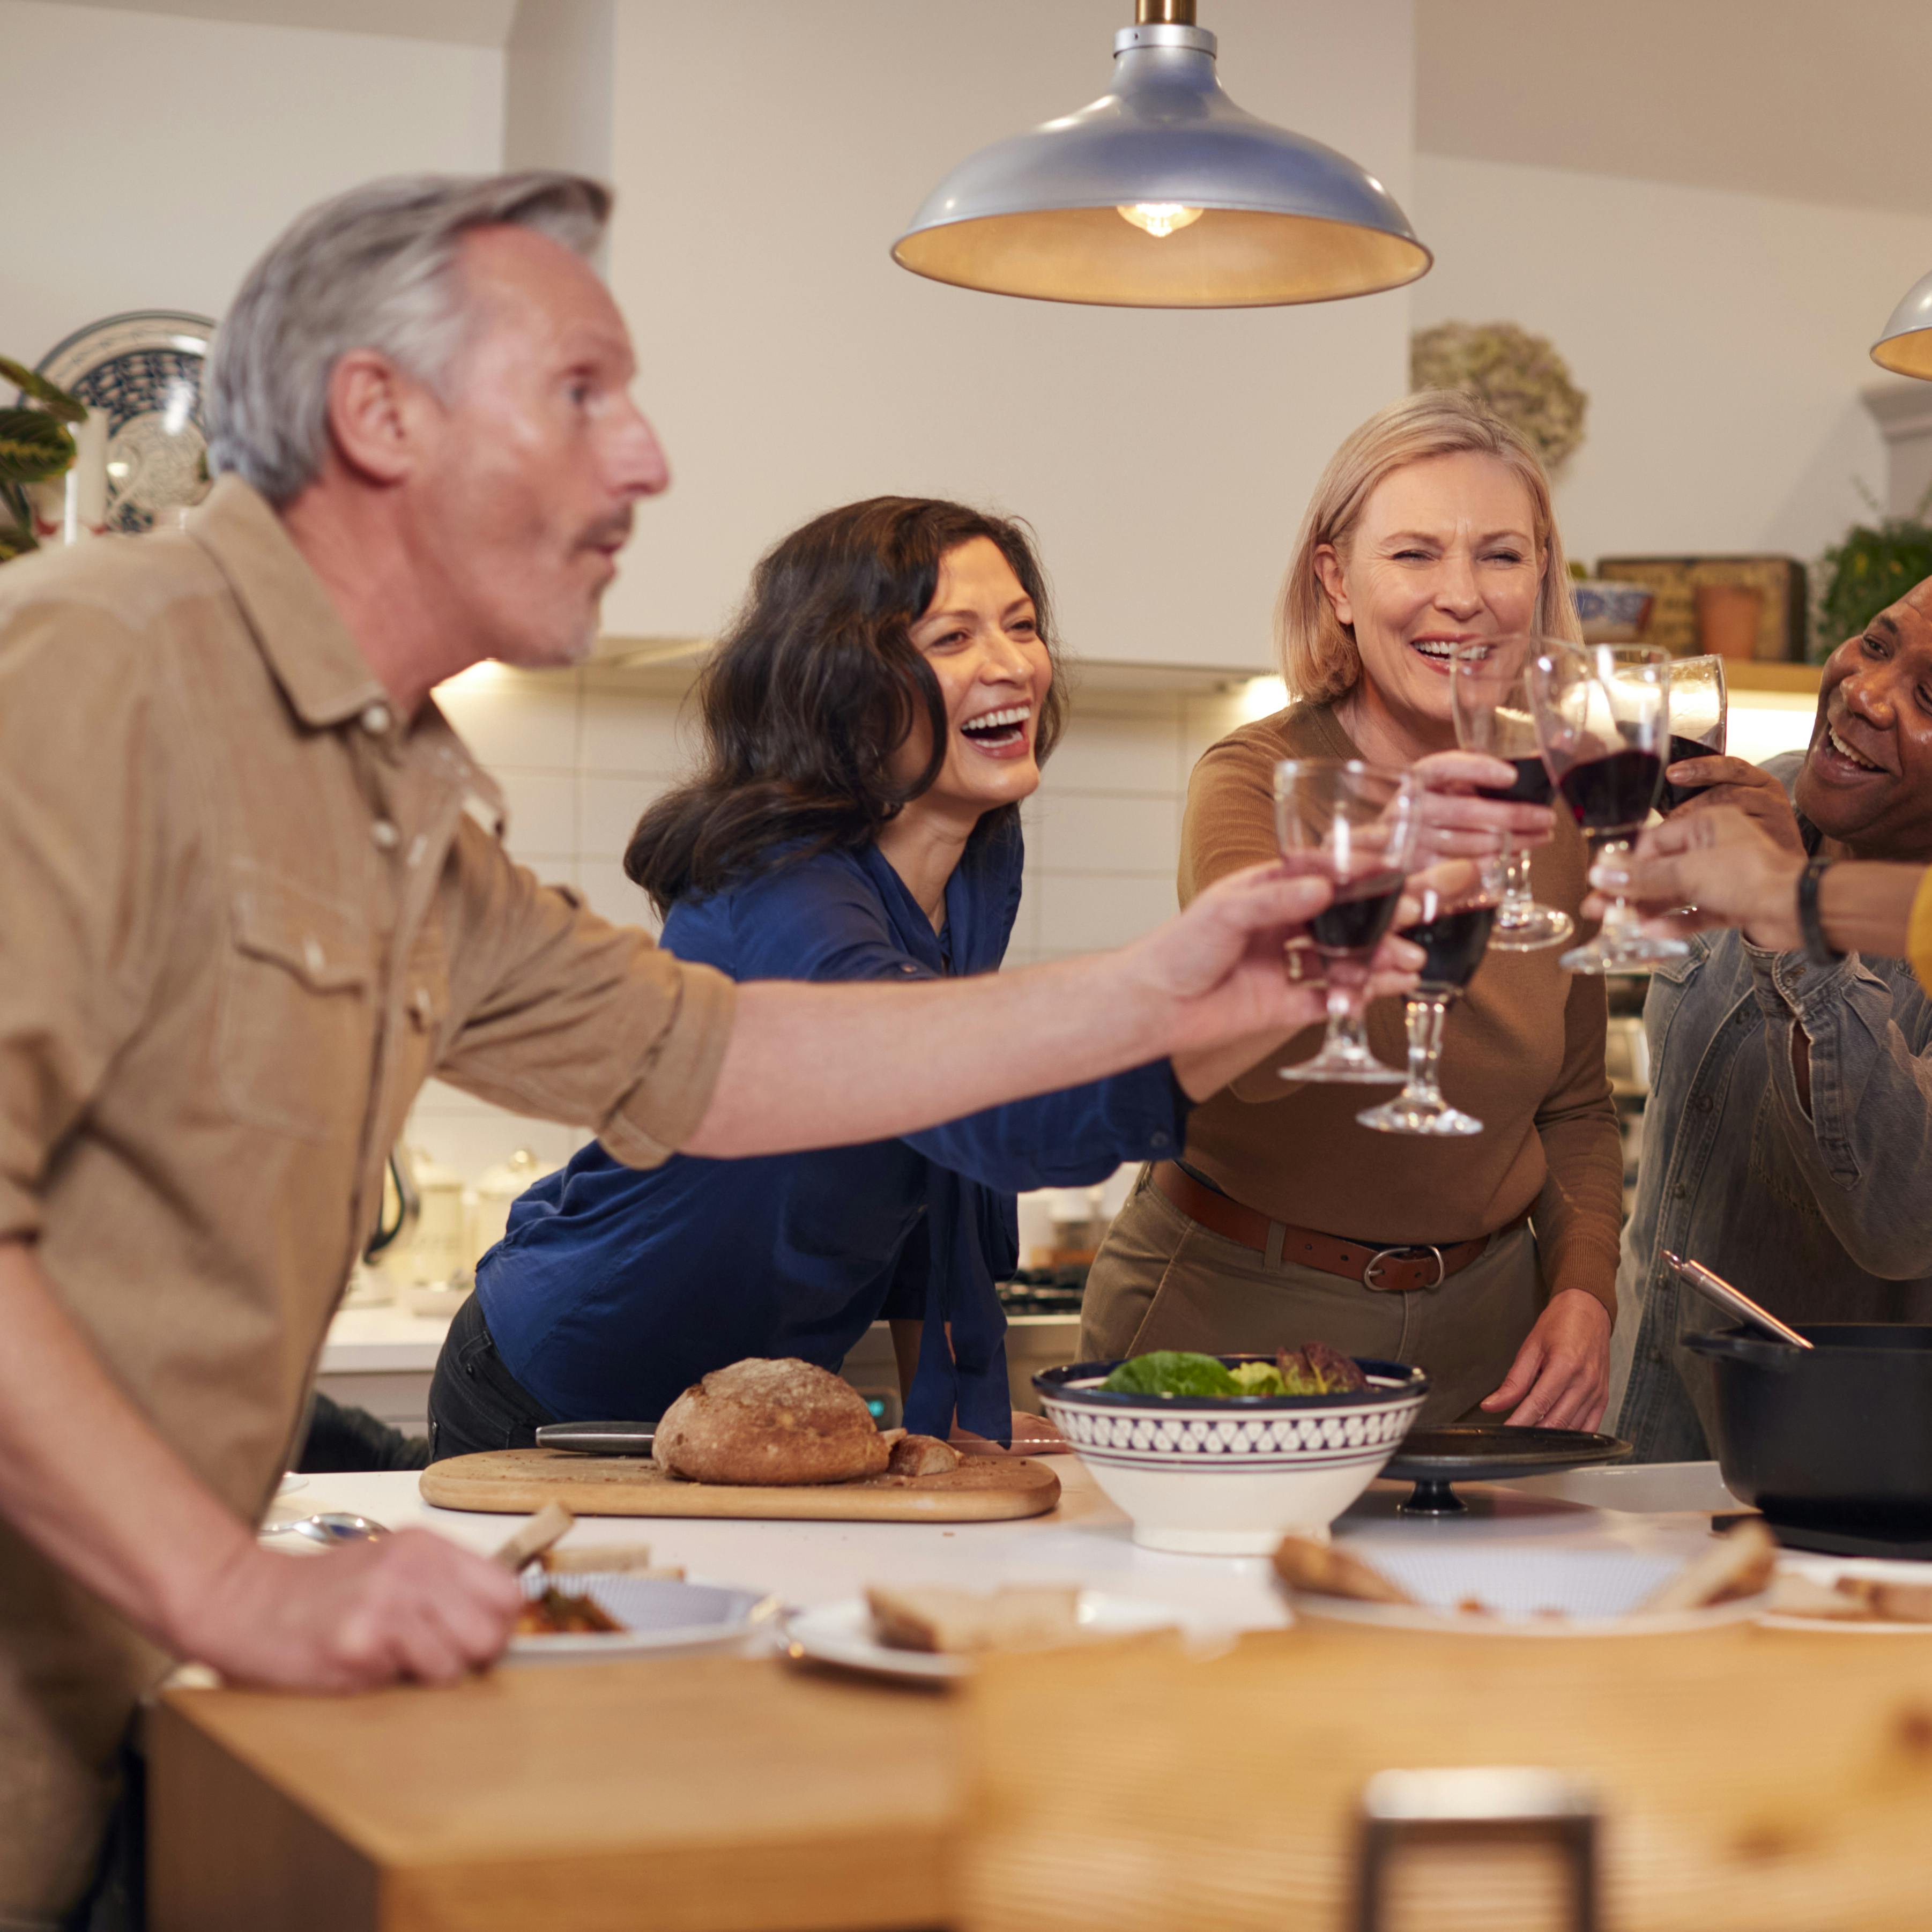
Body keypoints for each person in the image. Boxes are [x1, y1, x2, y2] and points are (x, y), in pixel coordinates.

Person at [0, 172, 1415, 1928]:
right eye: (582, 391)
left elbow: (722, 1064)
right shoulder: (96, 664)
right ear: (380, 414)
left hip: (98, 1694)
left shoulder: (399, 794)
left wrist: (1173, 987)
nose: (648, 459)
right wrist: (229, 1589)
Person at [428, 497, 1418, 1459]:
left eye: (1022, 626)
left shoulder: (979, 858)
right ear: (840, 682)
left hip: (746, 1400)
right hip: (567, 1386)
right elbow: (995, 1116)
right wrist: (1275, 986)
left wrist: (944, 1408)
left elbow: (936, 1158)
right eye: (951, 639)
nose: (1012, 666)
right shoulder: (783, 899)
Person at [1080, 391, 1624, 1431]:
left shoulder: (1569, 793)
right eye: (1413, 554)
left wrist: (1583, 1287)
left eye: (1501, 556)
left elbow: (1573, 1104)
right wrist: (1405, 882)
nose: (1460, 597)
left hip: (1489, 1331)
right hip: (1235, 1304)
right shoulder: (1260, 781)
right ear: (1334, 579)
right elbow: (1255, 1060)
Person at [1597, 576, 1932, 1460]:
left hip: (1823, 1480)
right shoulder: (1759, 801)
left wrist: (1795, 921)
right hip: (1632, 1445)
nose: (1864, 691)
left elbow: (1902, 1221)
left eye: (1928, 694)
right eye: (1875, 641)